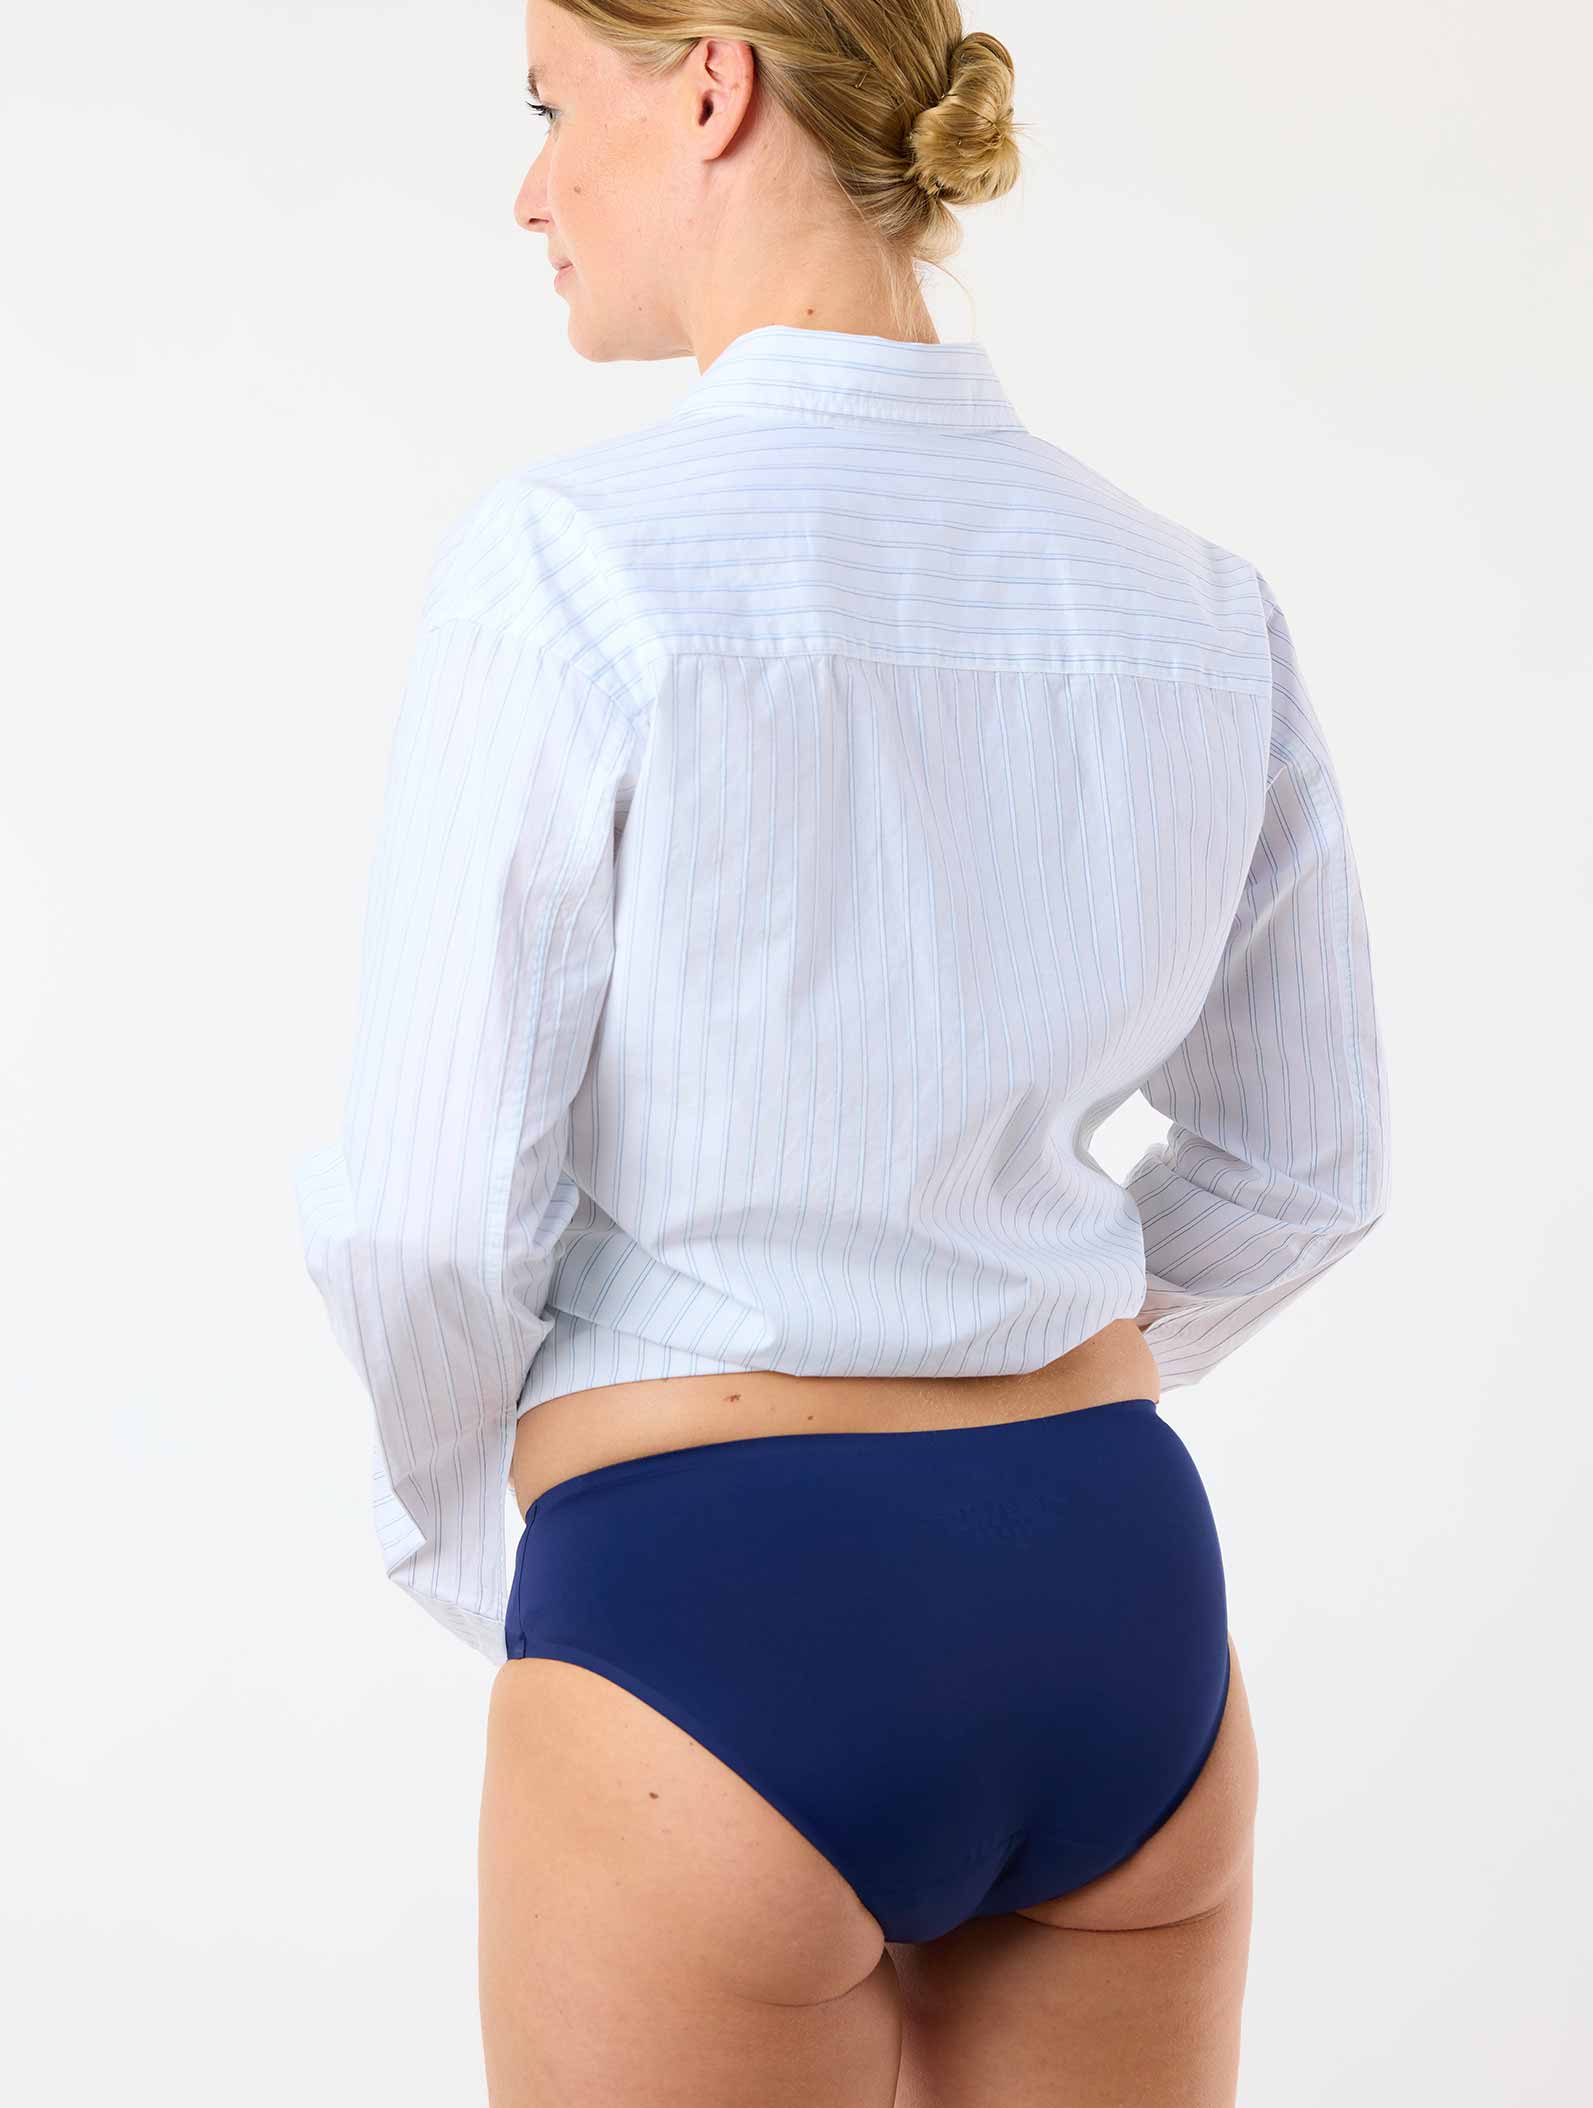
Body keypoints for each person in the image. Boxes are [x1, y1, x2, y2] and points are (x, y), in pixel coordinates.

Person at [292, 2, 1391, 2100]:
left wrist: (479, 1539)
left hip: (706, 1595)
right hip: (1110, 1585)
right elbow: (1302, 1167)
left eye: (551, 104)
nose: (529, 186)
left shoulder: (573, 567)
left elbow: (426, 1209)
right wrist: (1003, 1359)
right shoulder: (1191, 601)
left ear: (710, 85)